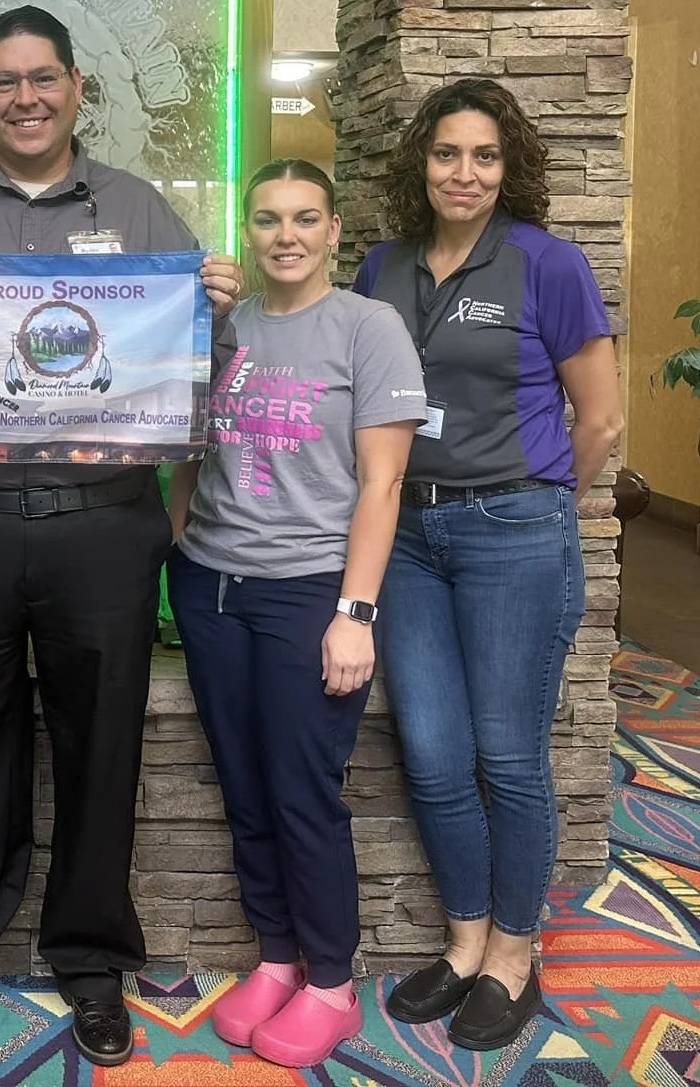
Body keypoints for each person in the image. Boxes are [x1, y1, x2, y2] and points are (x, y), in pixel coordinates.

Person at [0, 5, 241, 1067]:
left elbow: (192, 363)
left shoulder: (142, 212)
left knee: (101, 751)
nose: (25, 98)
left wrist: (213, 306)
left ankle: (90, 963)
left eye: (43, 78)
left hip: (101, 529)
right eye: (5, 81)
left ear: (75, 87)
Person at [352, 77, 622, 1052]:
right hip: (407, 541)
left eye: (483, 156)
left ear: (509, 168)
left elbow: (599, 419)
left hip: (513, 533)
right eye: (445, 154)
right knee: (431, 752)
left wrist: (541, 500)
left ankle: (513, 953)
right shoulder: (380, 268)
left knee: (507, 756)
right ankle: (465, 943)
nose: (462, 173)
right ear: (419, 163)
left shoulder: (547, 264)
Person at [163, 159, 424, 1070]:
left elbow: (384, 484)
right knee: (243, 785)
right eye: (269, 219)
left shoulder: (368, 328)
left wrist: (355, 612)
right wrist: (179, 544)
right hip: (211, 586)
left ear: (334, 229)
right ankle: (276, 957)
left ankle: (332, 984)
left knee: (301, 791)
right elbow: (190, 448)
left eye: (305, 218)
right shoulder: (226, 327)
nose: (286, 236)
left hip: (308, 591)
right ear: (248, 229)